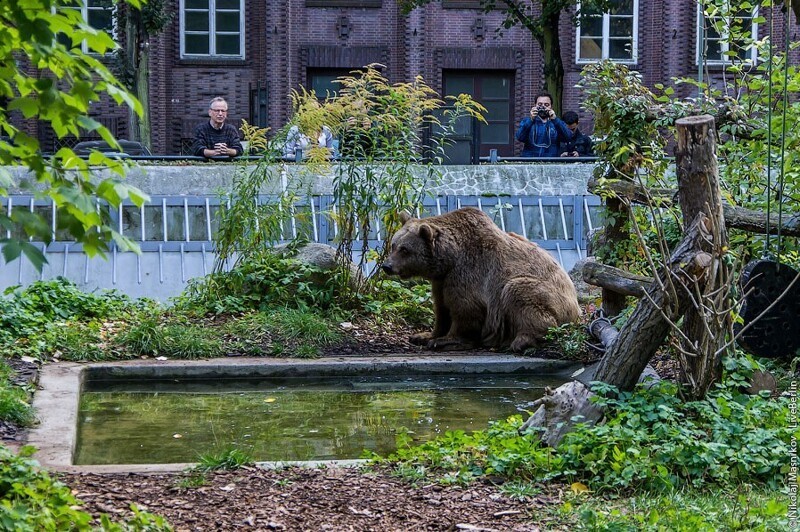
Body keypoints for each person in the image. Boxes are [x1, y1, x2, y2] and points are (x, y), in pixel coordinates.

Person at [515, 92, 573, 158]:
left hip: (550, 162)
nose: (543, 107)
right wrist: (530, 120)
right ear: (535, 105)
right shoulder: (527, 121)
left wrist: (555, 120)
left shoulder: (556, 123)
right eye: (540, 104)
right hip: (530, 162)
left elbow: (568, 137)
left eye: (546, 104)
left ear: (551, 106)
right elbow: (519, 137)